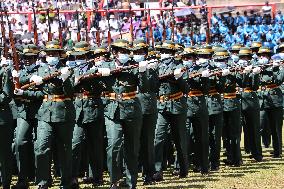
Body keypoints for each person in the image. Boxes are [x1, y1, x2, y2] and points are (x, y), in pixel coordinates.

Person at [19, 40, 75, 189]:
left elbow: (70, 93)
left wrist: (65, 79)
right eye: (49, 54)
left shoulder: (67, 70)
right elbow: (23, 79)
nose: (51, 56)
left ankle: (66, 182)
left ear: (59, 55)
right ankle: (43, 181)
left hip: (63, 112)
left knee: (64, 149)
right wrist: (29, 81)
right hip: (45, 113)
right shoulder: (40, 70)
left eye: (54, 54)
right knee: (41, 147)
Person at [98, 39, 148, 189]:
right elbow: (88, 76)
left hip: (132, 109)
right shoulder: (106, 65)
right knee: (113, 145)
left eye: (127, 51)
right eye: (121, 51)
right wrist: (102, 72)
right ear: (114, 53)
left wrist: (142, 72)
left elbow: (144, 88)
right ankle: (115, 180)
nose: (125, 54)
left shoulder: (134, 66)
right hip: (112, 110)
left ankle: (130, 182)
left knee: (132, 147)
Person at [153, 40, 189, 181]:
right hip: (162, 106)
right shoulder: (157, 66)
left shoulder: (180, 66)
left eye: (167, 52)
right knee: (158, 137)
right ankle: (157, 170)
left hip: (177, 105)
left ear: (173, 54)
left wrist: (178, 78)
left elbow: (186, 89)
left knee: (179, 139)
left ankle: (182, 168)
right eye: (162, 52)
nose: (164, 54)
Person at [70, 41, 104, 188]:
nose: (80, 58)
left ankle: (97, 176)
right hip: (77, 109)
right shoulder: (71, 69)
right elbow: (68, 85)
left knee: (95, 144)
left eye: (82, 56)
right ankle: (72, 177)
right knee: (75, 143)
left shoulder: (97, 68)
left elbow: (102, 85)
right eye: (77, 56)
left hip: (93, 107)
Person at [12, 44, 42, 189]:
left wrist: (25, 89)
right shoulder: (19, 71)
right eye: (25, 58)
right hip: (23, 111)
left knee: (39, 145)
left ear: (36, 58)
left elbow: (43, 93)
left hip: (40, 110)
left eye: (30, 58)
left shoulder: (42, 70)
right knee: (19, 142)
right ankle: (22, 178)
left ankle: (41, 177)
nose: (27, 60)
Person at [132, 39, 158, 185]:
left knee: (147, 142)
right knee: (132, 142)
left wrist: (146, 70)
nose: (137, 55)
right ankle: (132, 173)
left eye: (140, 52)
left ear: (146, 54)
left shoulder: (151, 66)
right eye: (135, 52)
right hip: (130, 107)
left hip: (147, 107)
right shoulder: (130, 65)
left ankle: (149, 174)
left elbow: (151, 86)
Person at [258, 46, 284, 158]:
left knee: (276, 127)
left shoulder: (276, 67)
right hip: (261, 100)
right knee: (259, 125)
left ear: (269, 57)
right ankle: (257, 151)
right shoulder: (257, 67)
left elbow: (278, 80)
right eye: (261, 55)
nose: (262, 57)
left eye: (265, 55)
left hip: (274, 100)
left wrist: (279, 68)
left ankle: (277, 151)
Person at [238, 47, 263, 162]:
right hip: (237, 100)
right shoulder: (236, 67)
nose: (243, 59)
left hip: (251, 100)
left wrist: (255, 74)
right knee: (237, 131)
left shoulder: (253, 67)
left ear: (249, 58)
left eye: (245, 57)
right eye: (242, 57)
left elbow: (255, 86)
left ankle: (257, 154)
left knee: (254, 128)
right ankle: (236, 155)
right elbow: (239, 83)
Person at [0, 54, 14, 189]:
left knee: (4, 154)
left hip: (2, 117)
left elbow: (7, 94)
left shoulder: (4, 70)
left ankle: (5, 183)